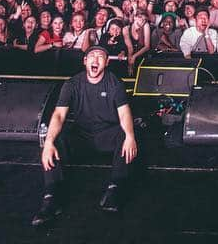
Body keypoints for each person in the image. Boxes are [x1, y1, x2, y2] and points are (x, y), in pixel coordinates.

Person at [32, 46, 139, 227]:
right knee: (55, 139)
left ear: (106, 62)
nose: (95, 60)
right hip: (82, 135)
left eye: (100, 57)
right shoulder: (72, 84)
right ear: (85, 61)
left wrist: (130, 136)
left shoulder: (115, 83)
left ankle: (115, 188)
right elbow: (59, 115)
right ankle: (50, 198)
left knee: (127, 134)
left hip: (107, 134)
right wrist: (48, 143)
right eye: (91, 56)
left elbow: (124, 113)